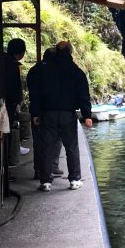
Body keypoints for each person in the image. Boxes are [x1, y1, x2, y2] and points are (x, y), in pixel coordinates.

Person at [34, 41, 93, 192]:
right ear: (70, 52)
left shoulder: (45, 71)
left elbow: (37, 93)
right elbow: (83, 94)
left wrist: (35, 112)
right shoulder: (76, 71)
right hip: (68, 114)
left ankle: (46, 182)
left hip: (48, 113)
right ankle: (74, 179)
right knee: (71, 147)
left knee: (47, 147)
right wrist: (87, 115)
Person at [26, 47, 60, 181]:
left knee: (38, 142)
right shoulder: (54, 71)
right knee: (55, 140)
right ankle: (51, 167)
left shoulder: (33, 70)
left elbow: (33, 94)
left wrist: (34, 113)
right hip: (50, 111)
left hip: (36, 109)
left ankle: (38, 170)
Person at [4, 38, 26, 123]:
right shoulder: (12, 65)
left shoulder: (2, 61)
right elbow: (13, 85)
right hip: (9, 104)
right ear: (22, 53)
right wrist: (16, 101)